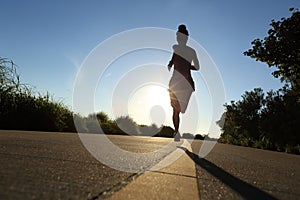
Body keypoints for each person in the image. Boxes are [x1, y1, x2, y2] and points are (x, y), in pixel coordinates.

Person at [167, 24, 199, 142]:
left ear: (186, 38)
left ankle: (177, 130)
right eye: (177, 36)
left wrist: (187, 66)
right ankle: (176, 132)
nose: (178, 38)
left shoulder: (192, 51)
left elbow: (197, 67)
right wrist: (170, 64)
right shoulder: (175, 48)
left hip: (186, 84)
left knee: (181, 109)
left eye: (181, 36)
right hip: (175, 83)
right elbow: (173, 59)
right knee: (175, 109)